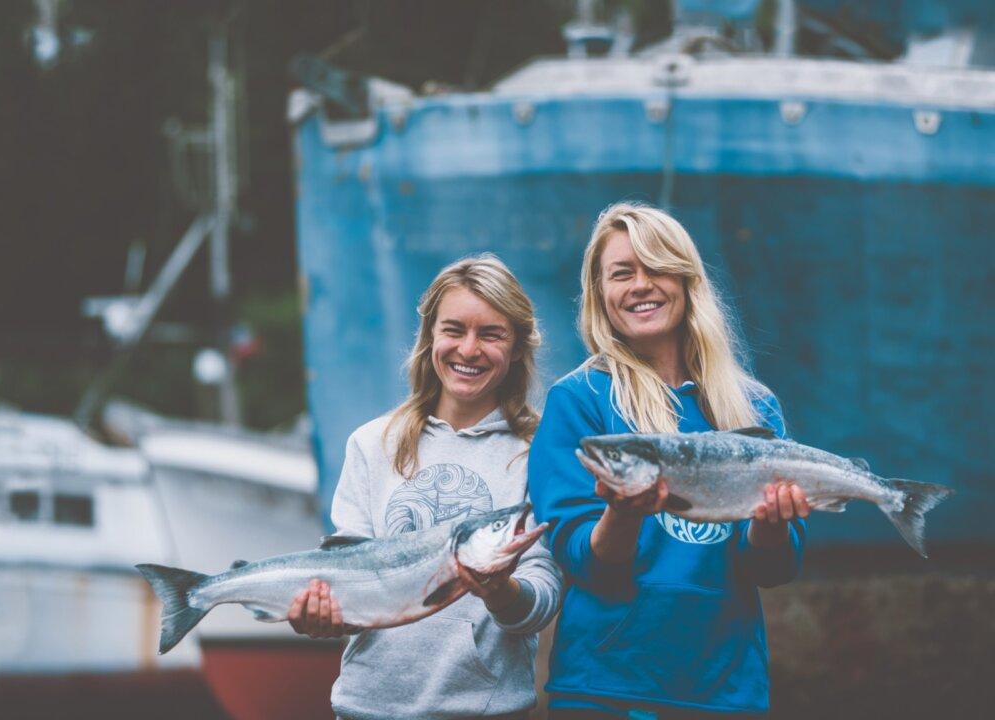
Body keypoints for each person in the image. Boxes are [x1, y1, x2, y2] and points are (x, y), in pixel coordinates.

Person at [528, 203, 809, 718]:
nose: (640, 284)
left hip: (725, 688)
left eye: (656, 266)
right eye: (622, 273)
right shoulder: (579, 400)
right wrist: (623, 511)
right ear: (601, 295)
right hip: (606, 687)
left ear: (687, 281)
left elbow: (775, 568)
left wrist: (771, 527)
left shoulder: (752, 407)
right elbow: (579, 559)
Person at [290, 254, 563, 720]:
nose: (468, 349)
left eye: (491, 334)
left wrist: (500, 591)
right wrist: (319, 614)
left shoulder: (540, 450)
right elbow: (349, 574)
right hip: (366, 707)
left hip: (484, 710)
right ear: (430, 337)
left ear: (517, 347)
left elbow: (543, 601)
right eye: (453, 330)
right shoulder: (372, 443)